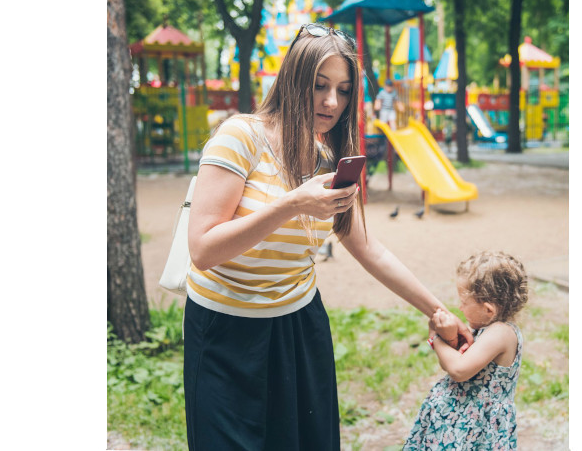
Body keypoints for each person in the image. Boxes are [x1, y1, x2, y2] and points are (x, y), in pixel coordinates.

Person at [183, 23, 474, 451]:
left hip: (297, 327)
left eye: (342, 90)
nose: (331, 102)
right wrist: (291, 204)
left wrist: (438, 312)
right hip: (225, 330)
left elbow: (367, 247)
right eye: (320, 86)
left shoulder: (328, 157)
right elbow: (203, 248)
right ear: (293, 78)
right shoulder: (239, 136)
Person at [403, 251, 529, 450]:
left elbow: (458, 370)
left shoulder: (500, 333)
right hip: (460, 422)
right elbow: (450, 361)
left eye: (464, 301)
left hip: (476, 428)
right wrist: (447, 338)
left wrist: (436, 338)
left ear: (488, 310)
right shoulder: (482, 329)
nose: (459, 307)